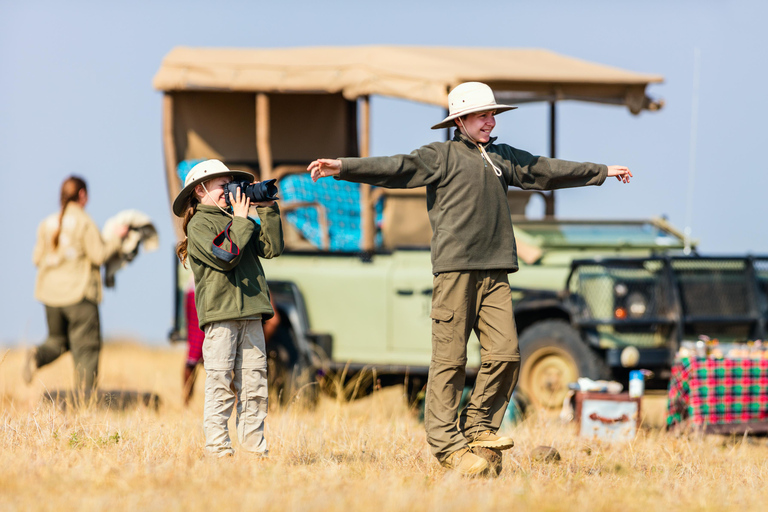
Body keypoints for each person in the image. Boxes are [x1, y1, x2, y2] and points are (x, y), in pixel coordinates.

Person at [308, 82, 632, 476]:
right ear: (460, 120)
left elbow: (545, 171)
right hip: (454, 273)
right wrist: (343, 167)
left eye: (493, 115)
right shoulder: (440, 156)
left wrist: (601, 172)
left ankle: (479, 427)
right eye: (483, 115)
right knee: (450, 361)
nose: (490, 122)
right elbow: (396, 167)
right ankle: (446, 446)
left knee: (507, 355)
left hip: (496, 272)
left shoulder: (502, 157)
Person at [174, 159, 284, 457]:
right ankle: (218, 453)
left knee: (254, 387)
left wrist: (266, 207)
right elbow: (226, 255)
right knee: (221, 385)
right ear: (199, 191)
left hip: (250, 312)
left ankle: (254, 453)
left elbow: (272, 248)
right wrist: (240, 218)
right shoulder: (200, 225)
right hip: (221, 317)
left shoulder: (238, 218)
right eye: (223, 185)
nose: (230, 190)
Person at [24, 176, 128, 395]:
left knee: (57, 341)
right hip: (79, 296)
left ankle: (37, 355)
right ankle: (85, 401)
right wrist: (118, 240)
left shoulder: (47, 222)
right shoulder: (84, 221)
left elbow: (36, 258)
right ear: (82, 195)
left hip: (50, 296)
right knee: (86, 349)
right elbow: (99, 256)